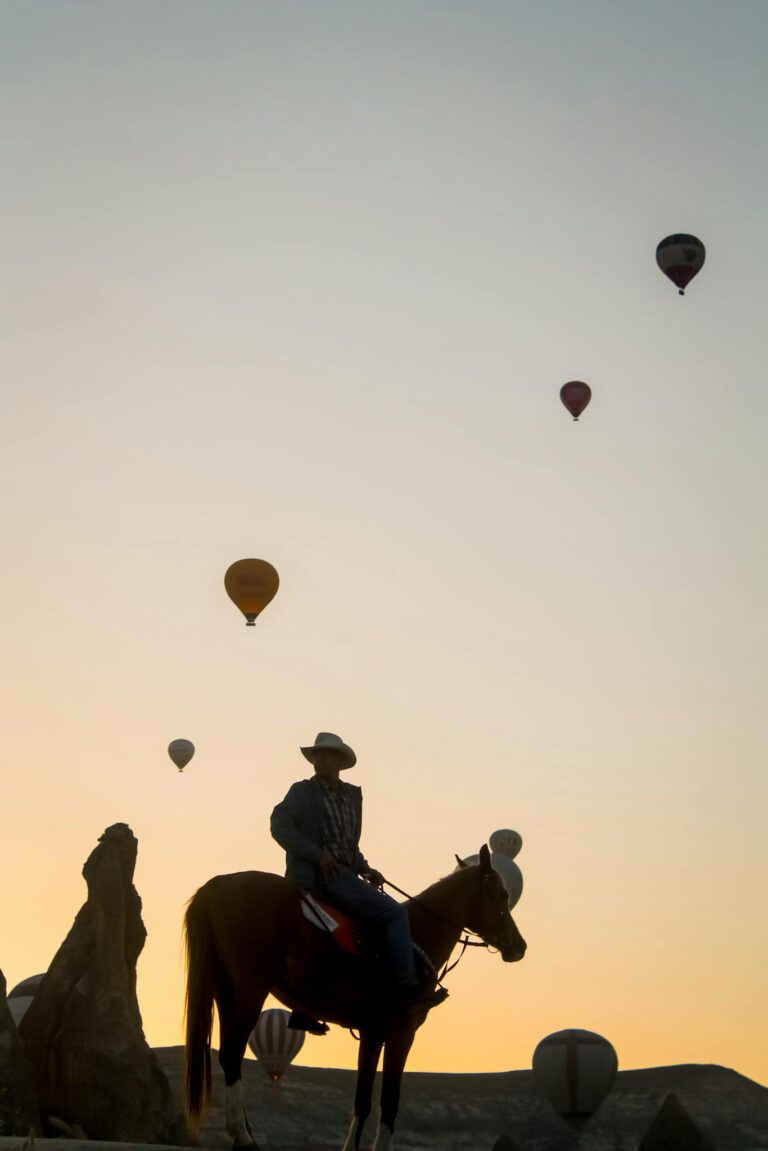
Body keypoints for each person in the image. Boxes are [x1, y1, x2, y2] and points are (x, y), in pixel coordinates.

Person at [270, 732, 447, 1017]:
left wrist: (365, 867)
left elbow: (348, 845)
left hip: (347, 874)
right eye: (317, 755)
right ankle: (406, 985)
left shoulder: (351, 797)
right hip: (323, 877)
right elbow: (280, 827)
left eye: (326, 754)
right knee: (395, 915)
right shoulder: (302, 791)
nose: (319, 759)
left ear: (339, 761)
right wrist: (318, 856)